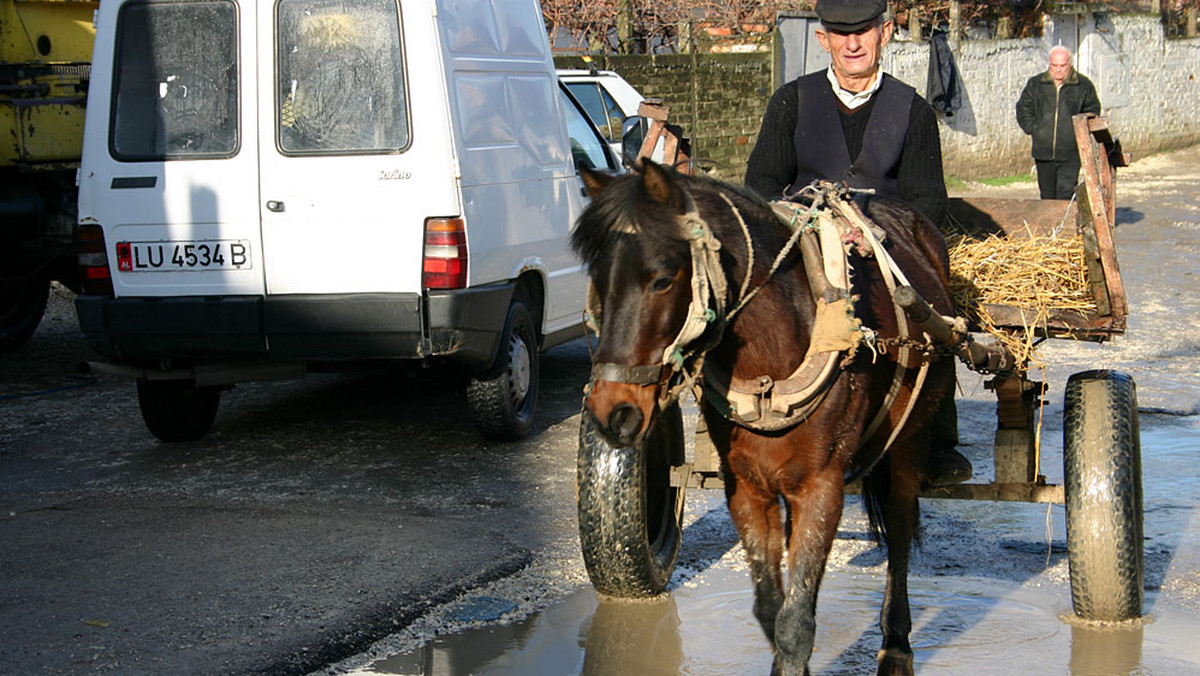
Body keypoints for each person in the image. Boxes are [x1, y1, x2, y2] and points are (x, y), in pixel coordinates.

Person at [744, 0, 970, 486]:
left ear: (885, 33)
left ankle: (935, 436)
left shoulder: (912, 110)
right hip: (804, 253)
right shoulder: (790, 102)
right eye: (839, 33)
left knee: (935, 301)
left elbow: (929, 203)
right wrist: (807, 225)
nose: (852, 44)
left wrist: (878, 237)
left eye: (863, 32)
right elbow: (761, 188)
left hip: (886, 257)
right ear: (823, 39)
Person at [1016, 46, 1102, 200]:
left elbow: (1093, 111)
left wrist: (1079, 134)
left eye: (1062, 66)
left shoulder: (1083, 85)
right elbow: (1023, 108)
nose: (1058, 70)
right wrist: (1035, 129)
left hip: (1071, 152)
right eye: (1054, 65)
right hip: (1043, 151)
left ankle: (1063, 223)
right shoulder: (1036, 84)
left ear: (1069, 64)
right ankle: (1051, 224)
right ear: (1049, 64)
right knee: (1047, 196)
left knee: (1066, 194)